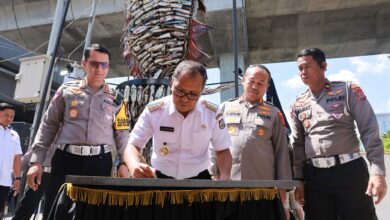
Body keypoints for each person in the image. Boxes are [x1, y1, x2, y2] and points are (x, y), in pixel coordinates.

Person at [26, 44, 129, 219]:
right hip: (66, 160)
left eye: (104, 65)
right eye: (94, 64)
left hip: (100, 162)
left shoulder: (117, 98)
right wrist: (36, 161)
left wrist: (124, 163)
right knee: (57, 210)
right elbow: (48, 126)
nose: (99, 69)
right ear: (84, 63)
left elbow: (122, 134)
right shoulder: (66, 91)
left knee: (94, 213)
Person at [290, 48, 387, 220]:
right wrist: (299, 180)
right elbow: (298, 144)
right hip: (315, 177)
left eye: (307, 66)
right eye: (300, 69)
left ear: (323, 66)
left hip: (350, 172)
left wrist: (377, 172)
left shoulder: (348, 90)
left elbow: (369, 129)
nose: (303, 72)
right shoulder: (298, 103)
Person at [124, 60, 232, 180]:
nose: (185, 99)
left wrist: (225, 175)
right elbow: (133, 145)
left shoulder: (212, 113)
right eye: (180, 91)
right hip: (160, 178)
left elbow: (222, 150)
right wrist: (134, 166)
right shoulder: (154, 111)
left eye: (193, 94)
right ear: (171, 83)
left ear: (202, 91)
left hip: (199, 179)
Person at [208, 65, 292, 219]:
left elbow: (282, 153)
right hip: (228, 189)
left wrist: (283, 197)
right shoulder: (225, 108)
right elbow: (214, 144)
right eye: (251, 81)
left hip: (262, 192)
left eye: (261, 83)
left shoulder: (274, 113)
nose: (255, 86)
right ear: (243, 81)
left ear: (267, 87)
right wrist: (213, 174)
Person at [0, 103, 22, 218]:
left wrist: (18, 178)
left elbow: (17, 158)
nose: (9, 119)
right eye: (6, 115)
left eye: (12, 117)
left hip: (4, 182)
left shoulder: (15, 135)